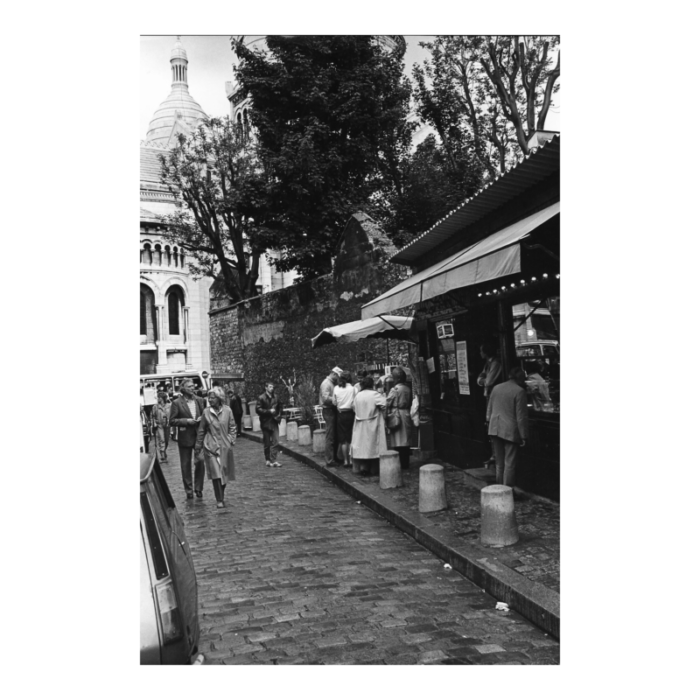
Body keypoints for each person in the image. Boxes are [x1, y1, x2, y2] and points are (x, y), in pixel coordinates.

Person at [487, 367, 529, 489]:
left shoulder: (496, 388)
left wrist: (489, 423)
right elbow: (521, 417)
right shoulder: (519, 391)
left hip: (494, 427)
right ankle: (508, 490)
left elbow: (489, 409)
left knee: (499, 463)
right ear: (520, 379)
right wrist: (524, 435)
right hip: (510, 430)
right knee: (509, 462)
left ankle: (499, 489)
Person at [195, 386, 237, 509]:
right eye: (209, 397)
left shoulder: (228, 410)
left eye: (212, 398)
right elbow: (201, 430)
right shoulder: (206, 412)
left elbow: (232, 427)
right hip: (211, 447)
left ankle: (221, 494)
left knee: (224, 473)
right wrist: (198, 446)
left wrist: (231, 439)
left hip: (224, 446)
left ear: (219, 398)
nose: (210, 400)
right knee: (216, 474)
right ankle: (219, 499)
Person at [169, 379, 206, 500]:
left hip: (198, 436)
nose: (193, 388)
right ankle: (189, 490)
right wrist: (186, 421)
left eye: (193, 386)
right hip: (185, 437)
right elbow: (172, 421)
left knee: (200, 461)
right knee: (185, 465)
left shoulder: (200, 400)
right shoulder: (176, 403)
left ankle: (198, 488)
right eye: (190, 386)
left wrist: (202, 419)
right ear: (183, 389)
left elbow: (205, 415)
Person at [351, 375, 388, 476]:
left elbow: (353, 407)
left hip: (360, 424)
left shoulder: (358, 395)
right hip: (373, 423)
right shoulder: (374, 394)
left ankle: (364, 468)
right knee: (373, 446)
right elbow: (385, 404)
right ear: (372, 385)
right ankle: (373, 469)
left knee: (363, 447)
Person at [478, 343, 504, 467]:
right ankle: (494, 454)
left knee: (492, 422)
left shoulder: (495, 364)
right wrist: (483, 380)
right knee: (489, 422)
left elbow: (488, 381)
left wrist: (483, 380)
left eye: (481, 350)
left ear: (486, 352)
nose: (480, 353)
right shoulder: (488, 364)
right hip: (489, 396)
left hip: (495, 397)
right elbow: (481, 378)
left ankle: (496, 454)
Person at [386, 367, 413, 471]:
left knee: (397, 440)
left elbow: (387, 402)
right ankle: (406, 463)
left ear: (396, 378)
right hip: (406, 413)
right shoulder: (407, 388)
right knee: (405, 440)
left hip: (397, 415)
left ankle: (399, 463)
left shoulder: (395, 390)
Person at [320, 367, 343, 468]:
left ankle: (334, 457)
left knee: (334, 435)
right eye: (338, 376)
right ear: (334, 374)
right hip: (328, 410)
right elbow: (325, 398)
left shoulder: (331, 383)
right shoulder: (326, 383)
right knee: (330, 435)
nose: (338, 378)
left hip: (331, 410)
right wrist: (336, 399)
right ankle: (329, 459)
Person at [333, 371, 357, 468]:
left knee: (343, 439)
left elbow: (334, 402)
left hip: (341, 414)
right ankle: (351, 460)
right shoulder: (353, 389)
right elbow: (355, 402)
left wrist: (339, 405)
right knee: (350, 437)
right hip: (350, 413)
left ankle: (345, 461)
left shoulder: (336, 388)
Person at [257, 381, 284, 468]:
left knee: (276, 441)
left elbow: (280, 406)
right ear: (266, 388)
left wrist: (279, 414)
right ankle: (268, 459)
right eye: (270, 387)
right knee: (267, 443)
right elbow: (258, 409)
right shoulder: (261, 398)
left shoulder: (276, 397)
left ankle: (273, 459)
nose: (272, 388)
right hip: (265, 422)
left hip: (274, 421)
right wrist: (268, 411)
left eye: (272, 387)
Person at [152, 392, 171, 463]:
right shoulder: (155, 407)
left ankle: (164, 451)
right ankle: (162, 454)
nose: (158, 399)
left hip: (167, 425)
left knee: (166, 440)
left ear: (162, 398)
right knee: (162, 439)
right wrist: (154, 423)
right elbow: (153, 416)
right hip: (159, 425)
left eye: (159, 397)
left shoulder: (169, 406)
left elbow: (172, 414)